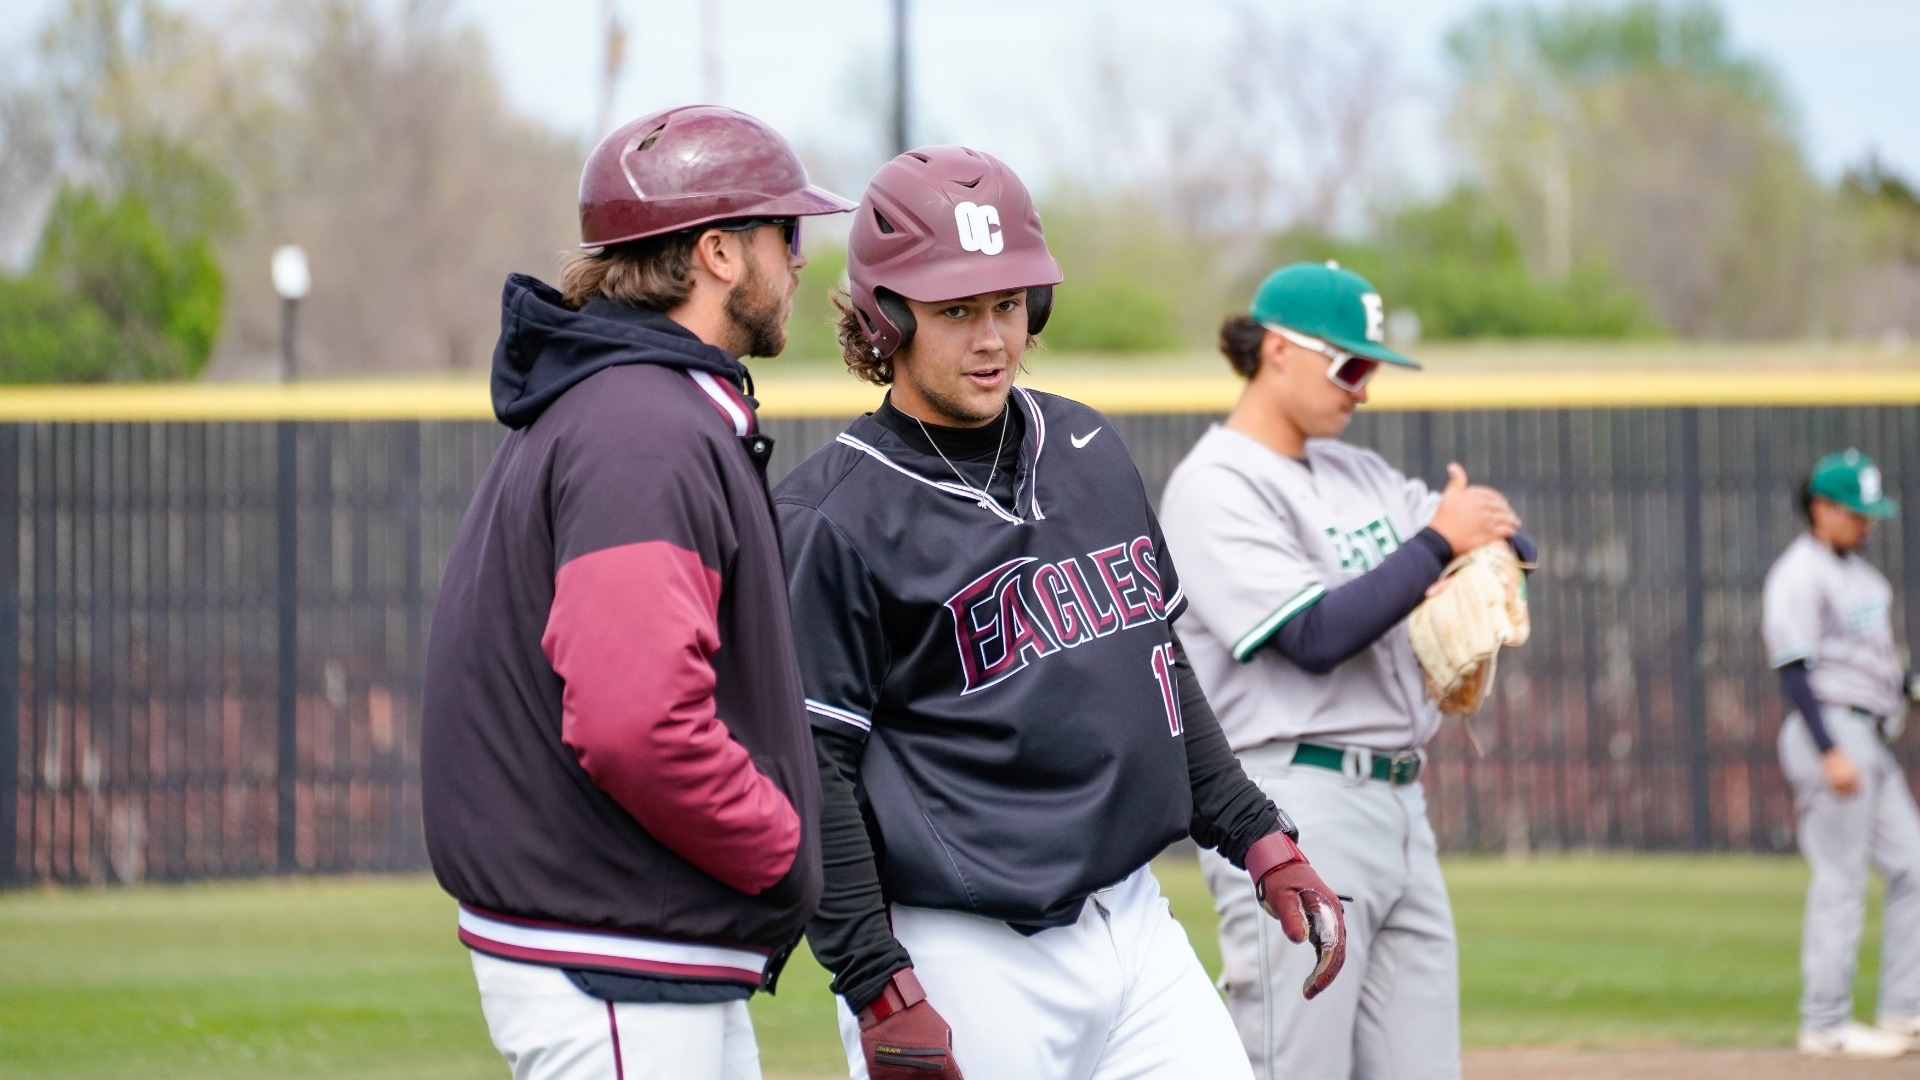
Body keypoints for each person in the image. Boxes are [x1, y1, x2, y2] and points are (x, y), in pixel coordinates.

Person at [773, 147, 1348, 1080]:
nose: (993, 336)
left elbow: (1157, 674)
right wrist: (876, 980)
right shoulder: (832, 516)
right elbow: (811, 775)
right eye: (956, 309)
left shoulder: (1085, 444)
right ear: (886, 316)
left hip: (1134, 923)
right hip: (963, 950)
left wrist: (1261, 836)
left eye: (1008, 303)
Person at [418, 104, 855, 1080]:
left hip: (626, 942)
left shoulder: (627, 402)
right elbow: (633, 721)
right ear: (717, 254)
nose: (801, 259)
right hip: (613, 951)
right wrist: (785, 852)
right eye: (786, 233)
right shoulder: (644, 429)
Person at [1158, 261, 1536, 1080]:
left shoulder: (1358, 472)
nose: (1365, 388)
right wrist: (1437, 544)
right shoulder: (1215, 487)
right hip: (1296, 805)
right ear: (1279, 352)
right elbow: (1315, 635)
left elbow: (1505, 536)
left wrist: (1486, 543)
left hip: (1403, 801)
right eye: (1351, 364)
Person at [1764, 449, 1920, 1060]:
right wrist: (1829, 750)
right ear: (1820, 508)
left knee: (1913, 866)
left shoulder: (1864, 577)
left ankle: (1905, 1011)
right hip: (1828, 728)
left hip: (1871, 733)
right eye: (1855, 512)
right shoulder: (1799, 573)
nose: (1866, 523)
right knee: (1842, 877)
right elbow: (1794, 669)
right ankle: (1825, 1022)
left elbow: (1881, 667)